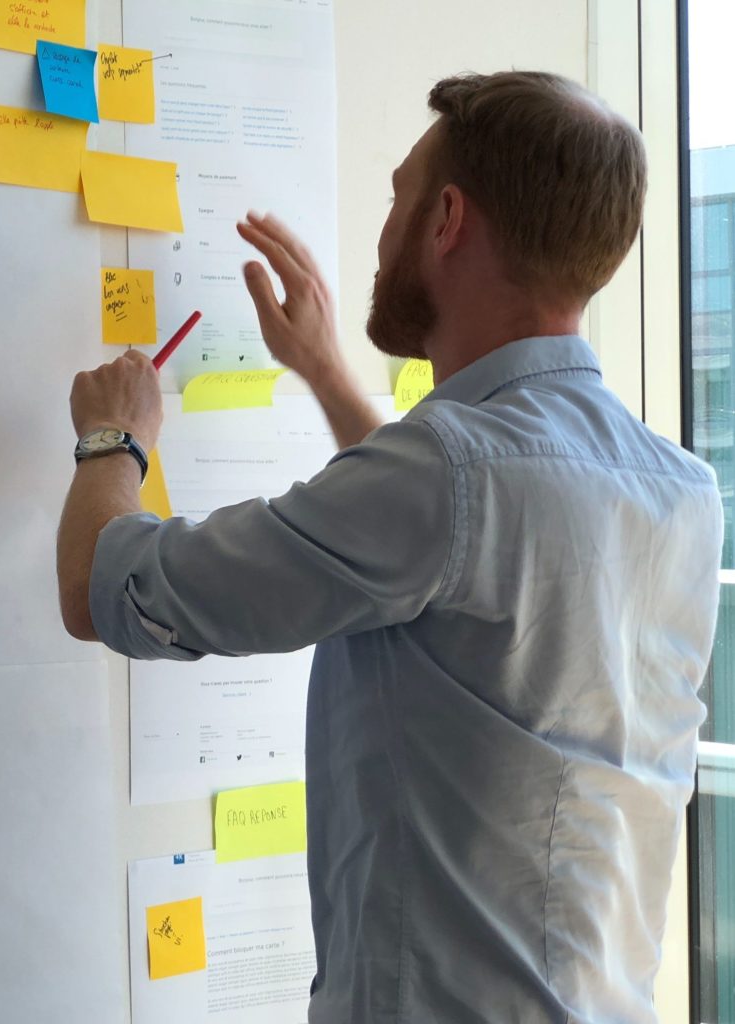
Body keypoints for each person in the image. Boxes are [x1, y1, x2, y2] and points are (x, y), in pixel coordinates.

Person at [58, 71, 723, 1023]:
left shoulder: (445, 474)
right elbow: (449, 548)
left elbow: (103, 590)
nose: (381, 231)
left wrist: (110, 440)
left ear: (446, 218)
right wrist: (324, 371)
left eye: (397, 195)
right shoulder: (679, 490)